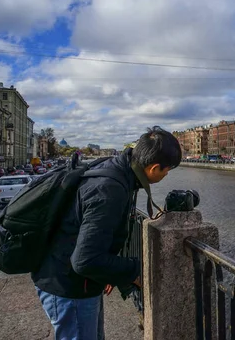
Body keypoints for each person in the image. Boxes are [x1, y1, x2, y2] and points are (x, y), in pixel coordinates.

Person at [32, 126, 181, 339]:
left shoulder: (118, 171)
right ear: (153, 167)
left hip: (71, 278)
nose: (166, 175)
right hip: (68, 286)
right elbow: (85, 260)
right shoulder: (110, 189)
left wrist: (108, 270)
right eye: (167, 171)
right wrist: (134, 272)